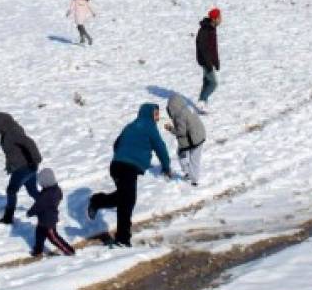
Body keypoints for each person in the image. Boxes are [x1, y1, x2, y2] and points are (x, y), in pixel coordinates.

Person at [87, 103, 171, 247]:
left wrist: (122, 155)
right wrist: (166, 166)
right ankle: (122, 239)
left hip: (117, 166)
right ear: (149, 114)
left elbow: (116, 144)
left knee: (124, 198)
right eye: (156, 114)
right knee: (127, 202)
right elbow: (160, 147)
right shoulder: (149, 127)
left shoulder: (130, 126)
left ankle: (97, 201)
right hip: (127, 168)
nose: (158, 117)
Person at [0, 113, 42, 225]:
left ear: (1, 124)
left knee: (11, 190)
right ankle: (47, 206)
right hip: (26, 165)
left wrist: (35, 159)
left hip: (24, 167)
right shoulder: (8, 131)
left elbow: (29, 143)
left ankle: (8, 218)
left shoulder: (13, 132)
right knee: (32, 191)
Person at [27, 168, 75, 257]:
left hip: (48, 221)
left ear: (45, 181)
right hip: (44, 219)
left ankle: (69, 251)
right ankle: (38, 251)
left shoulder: (46, 194)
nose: (40, 183)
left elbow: (38, 206)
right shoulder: (56, 189)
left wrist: (30, 213)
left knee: (54, 238)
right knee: (39, 235)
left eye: (41, 181)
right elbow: (59, 197)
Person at [165, 94, 206, 186]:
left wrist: (170, 128)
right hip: (199, 135)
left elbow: (181, 132)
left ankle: (194, 180)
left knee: (193, 159)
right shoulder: (187, 109)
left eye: (170, 108)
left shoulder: (180, 115)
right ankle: (188, 173)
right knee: (182, 153)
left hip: (194, 140)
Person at [195, 8, 221, 113]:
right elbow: (203, 48)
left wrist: (216, 61)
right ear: (215, 19)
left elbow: (213, 48)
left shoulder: (212, 28)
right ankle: (201, 102)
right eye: (219, 17)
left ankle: (202, 103)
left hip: (209, 61)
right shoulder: (205, 30)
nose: (221, 19)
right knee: (213, 83)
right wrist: (209, 63)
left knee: (207, 82)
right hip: (205, 61)